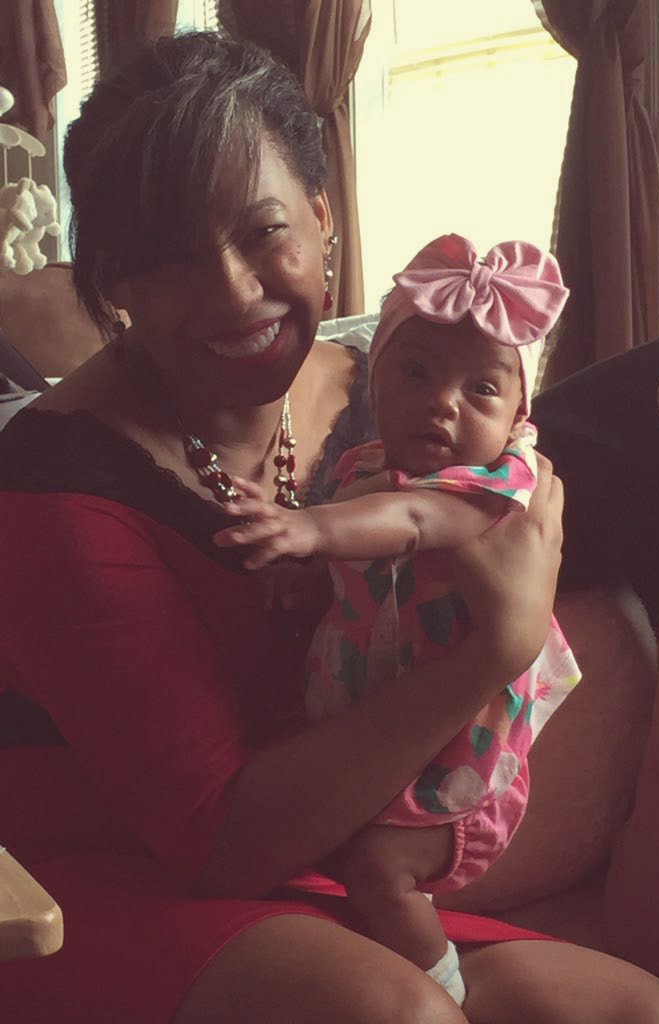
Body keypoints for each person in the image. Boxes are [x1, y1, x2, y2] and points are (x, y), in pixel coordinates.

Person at [0, 30, 659, 1024]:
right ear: (114, 282)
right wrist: (499, 644)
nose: (235, 291)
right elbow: (219, 839)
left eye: (263, 232)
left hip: (330, 856)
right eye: (169, 259)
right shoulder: (55, 487)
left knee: (644, 1015)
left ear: (323, 215)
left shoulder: (389, 385)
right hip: (98, 880)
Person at [212, 233, 582, 1005]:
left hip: (458, 764)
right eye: (416, 373)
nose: (443, 402)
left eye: (482, 389)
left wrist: (308, 528)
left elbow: (411, 523)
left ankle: (450, 995)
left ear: (518, 414)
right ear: (374, 376)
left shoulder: (495, 485)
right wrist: (308, 583)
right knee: (330, 846)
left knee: (380, 871)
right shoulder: (365, 468)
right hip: (382, 737)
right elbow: (366, 568)